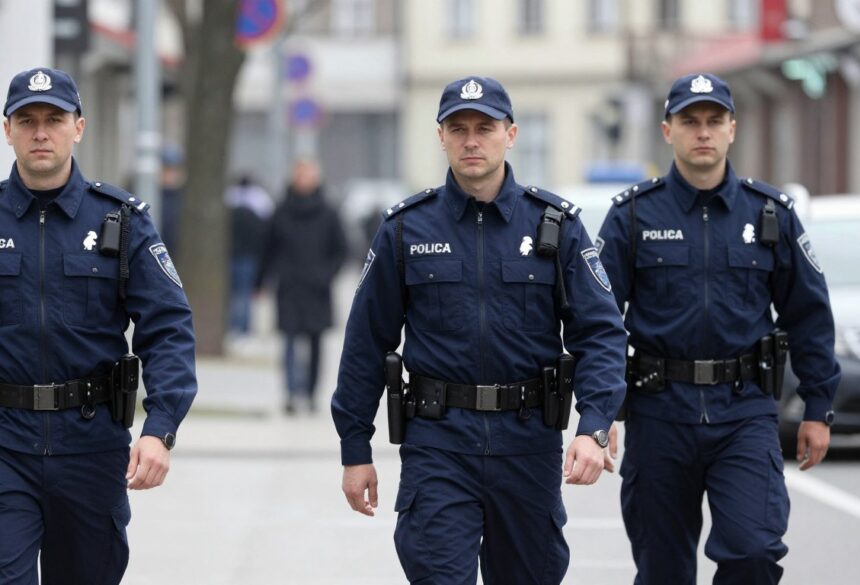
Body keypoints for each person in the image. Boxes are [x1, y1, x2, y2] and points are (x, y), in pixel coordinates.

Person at [0, 67, 198, 584]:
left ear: (79, 126)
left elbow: (168, 329)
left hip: (92, 446)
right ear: (6, 129)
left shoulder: (122, 220)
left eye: (54, 118)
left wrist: (161, 427)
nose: (40, 132)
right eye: (26, 120)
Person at [331, 76, 627, 584]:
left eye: (484, 128)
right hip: (439, 446)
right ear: (441, 136)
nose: (472, 140)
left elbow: (600, 333)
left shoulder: (555, 226)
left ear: (510, 134)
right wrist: (355, 450)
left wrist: (594, 424)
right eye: (458, 128)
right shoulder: (406, 228)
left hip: (527, 446)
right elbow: (366, 343)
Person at [596, 73, 841, 584]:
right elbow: (597, 321)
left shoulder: (770, 213)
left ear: (733, 128)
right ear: (668, 131)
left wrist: (819, 406)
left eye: (714, 121)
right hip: (659, 412)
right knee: (663, 570)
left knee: (753, 551)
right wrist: (597, 415)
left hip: (744, 412)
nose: (702, 132)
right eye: (690, 121)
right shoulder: (633, 216)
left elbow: (809, 315)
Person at [257, 159, 347, 414]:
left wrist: (326, 275)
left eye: (308, 175)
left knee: (317, 344)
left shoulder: (329, 212)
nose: (303, 180)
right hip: (289, 287)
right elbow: (268, 249)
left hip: (317, 288)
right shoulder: (281, 210)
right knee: (287, 342)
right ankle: (290, 393)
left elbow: (342, 250)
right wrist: (261, 281)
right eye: (299, 175)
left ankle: (311, 393)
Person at [226, 174, 274, 337]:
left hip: (233, 255)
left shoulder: (229, 202)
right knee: (244, 295)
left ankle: (234, 327)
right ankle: (243, 329)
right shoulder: (260, 206)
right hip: (249, 257)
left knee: (234, 295)